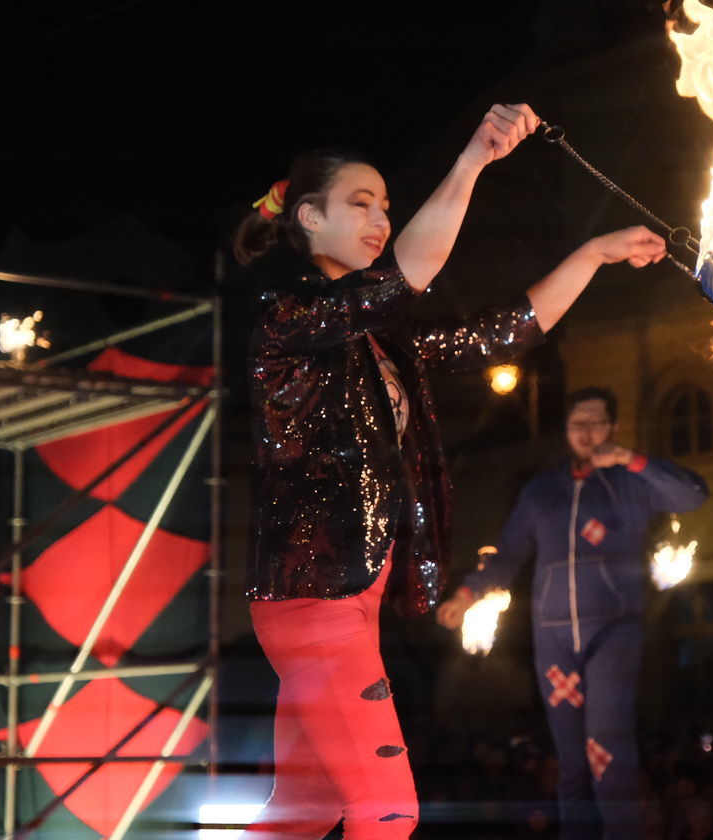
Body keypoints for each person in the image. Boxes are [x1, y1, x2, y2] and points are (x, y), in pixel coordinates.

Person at [236, 103, 670, 839]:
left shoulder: (380, 343)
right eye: (360, 205)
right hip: (315, 601)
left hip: (345, 602)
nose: (379, 219)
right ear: (309, 218)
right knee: (389, 810)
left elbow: (499, 333)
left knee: (298, 816)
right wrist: (472, 160)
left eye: (386, 205)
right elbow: (408, 273)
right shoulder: (287, 315)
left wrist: (593, 254)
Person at [438, 386, 709, 839]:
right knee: (570, 763)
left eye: (596, 422)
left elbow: (693, 495)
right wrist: (467, 592)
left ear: (613, 427)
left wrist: (631, 459)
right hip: (554, 638)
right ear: (566, 429)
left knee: (607, 749)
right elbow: (508, 552)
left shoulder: (631, 483)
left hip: (614, 632)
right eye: (577, 423)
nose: (586, 432)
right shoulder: (542, 490)